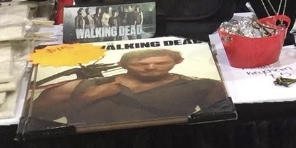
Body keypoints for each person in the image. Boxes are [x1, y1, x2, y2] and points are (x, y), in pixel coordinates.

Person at [30, 48, 228, 127]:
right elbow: (33, 116)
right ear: (122, 65)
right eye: (140, 63)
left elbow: (222, 121)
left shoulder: (203, 86)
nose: (151, 67)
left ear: (177, 62)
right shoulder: (82, 85)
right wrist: (85, 98)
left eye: (161, 63)